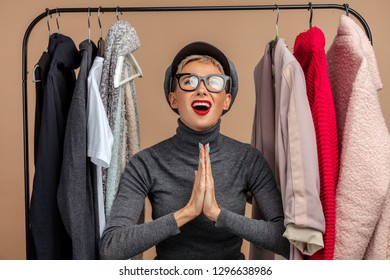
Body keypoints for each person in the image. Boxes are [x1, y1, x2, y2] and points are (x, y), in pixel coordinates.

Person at [99, 41, 290, 260]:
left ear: (226, 101)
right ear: (174, 99)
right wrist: (186, 213)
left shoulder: (249, 160)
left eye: (214, 82)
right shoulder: (145, 163)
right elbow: (111, 248)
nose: (201, 89)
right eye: (189, 81)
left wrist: (217, 214)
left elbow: (286, 240)